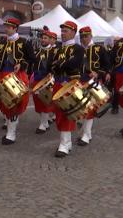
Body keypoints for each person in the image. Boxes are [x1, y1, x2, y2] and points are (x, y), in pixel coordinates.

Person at [0, 18, 35, 145]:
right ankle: (10, 125)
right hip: (2, 75)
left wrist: (22, 64)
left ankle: (11, 133)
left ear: (15, 28)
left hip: (17, 76)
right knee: (4, 103)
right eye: (6, 26)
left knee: (14, 103)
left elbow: (32, 59)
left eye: (9, 27)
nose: (6, 29)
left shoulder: (24, 42)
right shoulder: (2, 43)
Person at [51, 21, 84, 157]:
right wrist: (60, 64)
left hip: (71, 83)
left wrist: (60, 64)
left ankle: (64, 144)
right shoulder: (59, 49)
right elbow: (52, 66)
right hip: (59, 82)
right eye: (62, 31)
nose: (62, 34)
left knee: (67, 113)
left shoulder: (78, 48)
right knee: (59, 113)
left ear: (73, 32)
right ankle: (67, 142)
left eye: (65, 31)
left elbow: (74, 63)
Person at [77, 26, 111, 145]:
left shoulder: (99, 48)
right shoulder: (78, 49)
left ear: (91, 36)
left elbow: (107, 65)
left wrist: (98, 72)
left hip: (93, 82)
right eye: (81, 37)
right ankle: (86, 133)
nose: (84, 39)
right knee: (81, 108)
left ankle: (86, 135)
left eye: (86, 36)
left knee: (90, 108)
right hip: (80, 81)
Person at [32, 27, 57, 134]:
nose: (43, 40)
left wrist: (52, 74)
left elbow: (56, 66)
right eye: (42, 38)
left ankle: (43, 124)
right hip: (37, 79)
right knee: (38, 102)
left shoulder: (54, 51)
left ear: (50, 39)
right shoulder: (37, 51)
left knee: (45, 102)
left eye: (45, 38)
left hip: (47, 80)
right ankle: (45, 122)